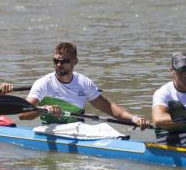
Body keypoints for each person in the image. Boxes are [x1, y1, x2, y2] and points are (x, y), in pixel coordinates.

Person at [19, 42, 150, 129]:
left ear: (75, 62)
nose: (59, 64)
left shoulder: (84, 83)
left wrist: (134, 118)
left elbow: (109, 108)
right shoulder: (44, 83)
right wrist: (43, 109)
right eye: (56, 61)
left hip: (77, 130)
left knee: (104, 128)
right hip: (50, 130)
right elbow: (23, 114)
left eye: (64, 61)